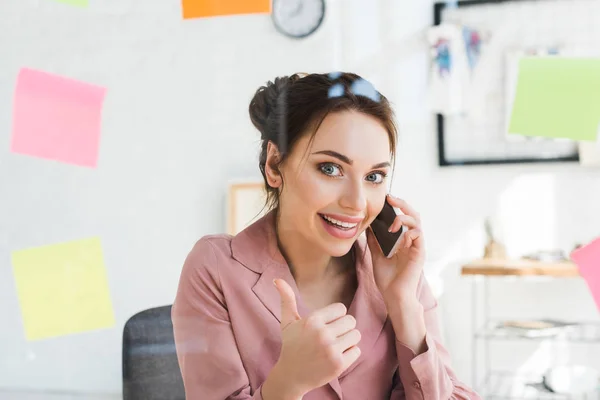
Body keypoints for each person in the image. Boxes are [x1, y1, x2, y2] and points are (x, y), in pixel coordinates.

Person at [171, 72, 480, 400]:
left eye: (374, 176)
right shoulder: (216, 269)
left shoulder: (398, 272)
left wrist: (404, 305)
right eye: (330, 169)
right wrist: (288, 383)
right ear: (275, 164)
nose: (357, 203)